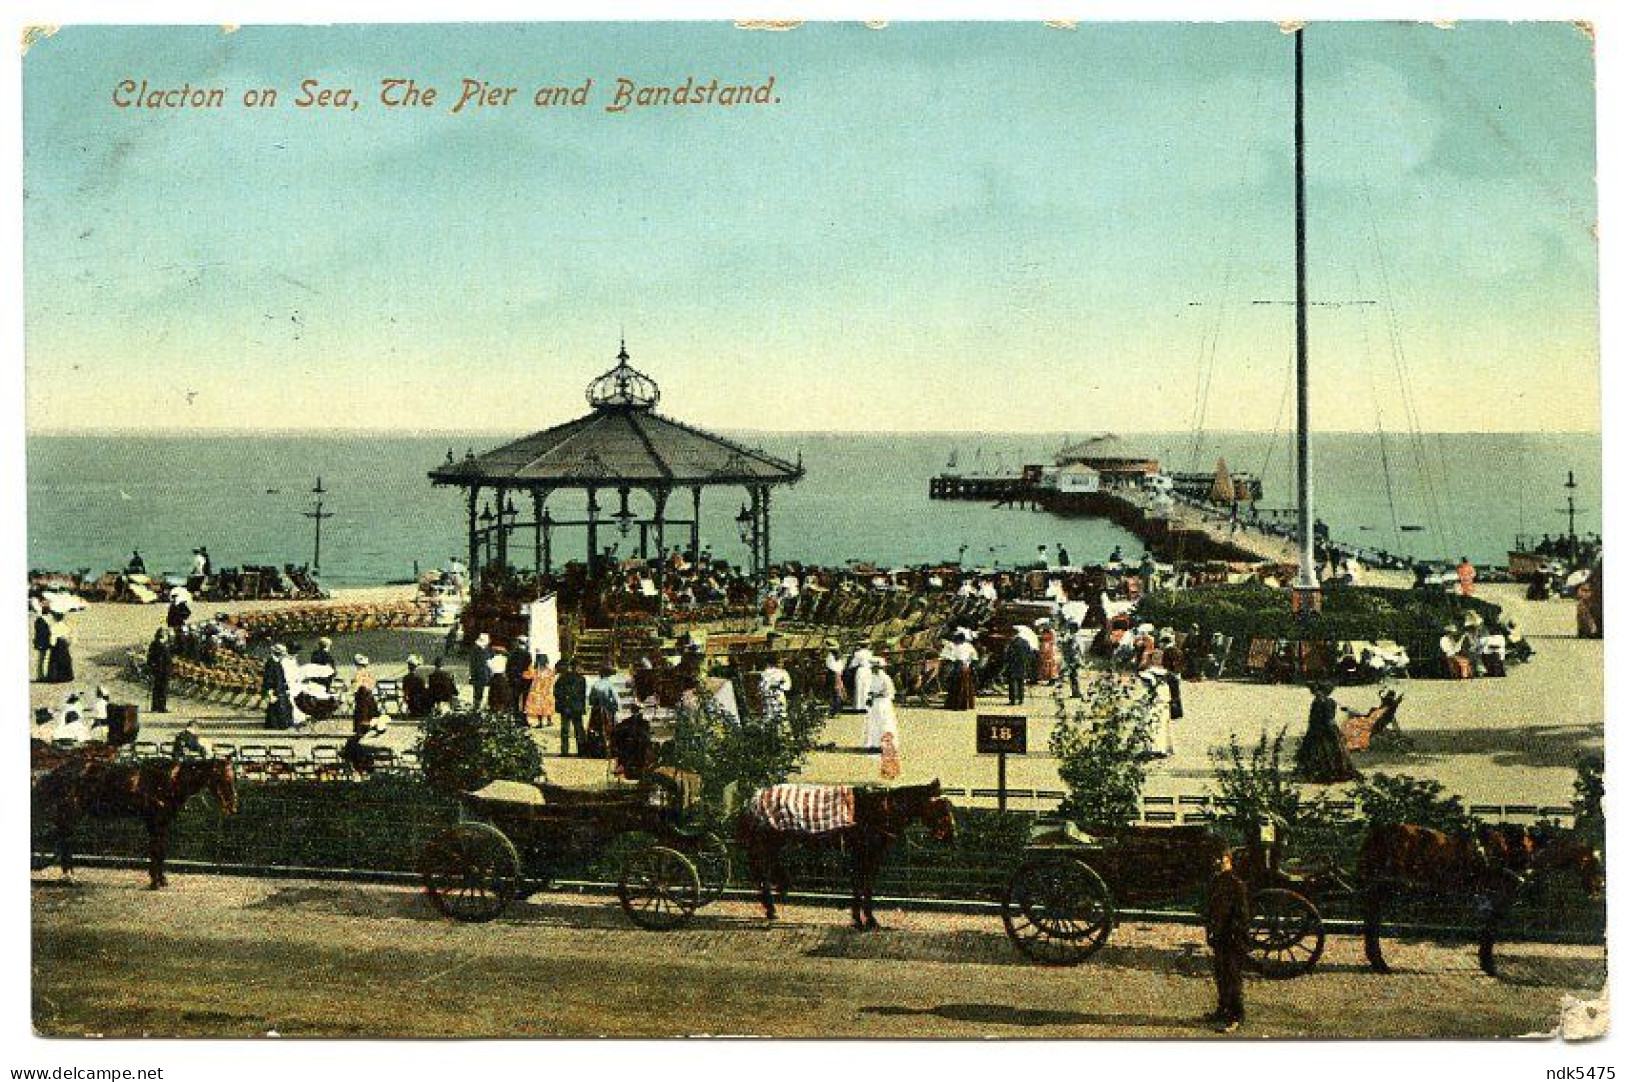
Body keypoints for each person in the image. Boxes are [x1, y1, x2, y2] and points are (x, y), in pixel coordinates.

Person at [1205, 850, 1251, 1033]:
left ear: (1229, 862)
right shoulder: (1216, 882)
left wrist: (1235, 935)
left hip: (1233, 938)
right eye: (1217, 860)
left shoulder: (1236, 885)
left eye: (1222, 860)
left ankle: (1235, 1017)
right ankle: (1222, 1010)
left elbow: (1242, 916)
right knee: (1221, 974)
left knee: (1232, 977)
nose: (1218, 863)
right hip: (1220, 936)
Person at [1294, 681, 1360, 784]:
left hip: (1317, 729)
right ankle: (1331, 771)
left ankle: (1318, 771)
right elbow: (1328, 719)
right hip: (1325, 729)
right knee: (1331, 751)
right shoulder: (1329, 702)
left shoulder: (1317, 701)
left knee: (1318, 750)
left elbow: (1315, 718)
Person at [862, 656, 897, 754]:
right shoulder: (872, 677)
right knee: (874, 723)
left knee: (884, 723)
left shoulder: (885, 677)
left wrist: (876, 695)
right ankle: (875, 744)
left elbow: (889, 692)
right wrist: (870, 697)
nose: (871, 669)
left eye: (873, 667)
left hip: (883, 703)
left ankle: (886, 744)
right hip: (875, 703)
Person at [555, 658, 589, 756]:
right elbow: (582, 695)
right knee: (578, 730)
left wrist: (562, 701)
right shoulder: (581, 679)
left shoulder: (563, 677)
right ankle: (581, 751)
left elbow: (556, 692)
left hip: (567, 707)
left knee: (566, 730)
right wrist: (582, 708)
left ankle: (565, 751)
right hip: (575, 707)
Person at [587, 668, 621, 758]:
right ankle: (609, 751)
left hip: (596, 711)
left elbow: (590, 700)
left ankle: (596, 751)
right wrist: (615, 709)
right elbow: (615, 700)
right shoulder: (610, 685)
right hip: (607, 711)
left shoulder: (595, 685)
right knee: (610, 730)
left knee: (595, 730)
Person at [262, 643, 296, 730]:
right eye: (283, 654)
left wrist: (286, 688)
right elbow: (268, 679)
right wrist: (270, 692)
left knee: (284, 707)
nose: (284, 656)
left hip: (280, 689)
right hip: (275, 690)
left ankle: (280, 725)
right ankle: (277, 726)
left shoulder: (277, 662)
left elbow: (282, 677)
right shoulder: (271, 663)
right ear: (279, 654)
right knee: (278, 708)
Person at [524, 654, 558, 729]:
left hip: (538, 692)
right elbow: (553, 679)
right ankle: (549, 721)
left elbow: (527, 676)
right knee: (547, 706)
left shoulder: (536, 671)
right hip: (547, 692)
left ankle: (540, 722)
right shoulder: (549, 671)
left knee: (539, 707)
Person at [351, 654, 381, 736]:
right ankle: (371, 725)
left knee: (361, 710)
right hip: (368, 695)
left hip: (361, 695)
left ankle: (360, 728)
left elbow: (355, 686)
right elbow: (372, 684)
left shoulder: (357, 673)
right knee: (370, 710)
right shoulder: (368, 673)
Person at [147, 628, 173, 713]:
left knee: (156, 689)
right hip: (163, 670)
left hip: (156, 670)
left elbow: (150, 658)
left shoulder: (153, 644)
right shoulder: (163, 646)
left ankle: (155, 707)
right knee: (163, 689)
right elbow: (164, 659)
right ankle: (161, 707)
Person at [1003, 632, 1033, 706]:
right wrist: (1027, 662)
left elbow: (1008, 655)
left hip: (1013, 664)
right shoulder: (1025, 642)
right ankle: (1021, 700)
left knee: (1012, 683)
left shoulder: (1012, 643)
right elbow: (1029, 653)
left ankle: (1012, 700)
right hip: (1022, 665)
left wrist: (1006, 658)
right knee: (1021, 683)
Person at [468, 632, 492, 709]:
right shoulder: (484, 650)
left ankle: (477, 706)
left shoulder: (478, 650)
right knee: (478, 692)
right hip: (480, 674)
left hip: (479, 674)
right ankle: (477, 706)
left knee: (478, 692)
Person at [485, 648, 513, 714]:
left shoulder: (491, 660)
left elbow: (489, 667)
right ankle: (503, 708)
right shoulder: (505, 659)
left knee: (494, 693)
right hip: (502, 677)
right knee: (503, 693)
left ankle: (494, 707)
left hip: (495, 677)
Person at [1036, 620, 1060, 685]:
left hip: (1050, 649)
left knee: (1051, 664)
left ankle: (1053, 679)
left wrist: (1044, 639)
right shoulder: (1044, 631)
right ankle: (1049, 679)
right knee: (1046, 664)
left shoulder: (1051, 632)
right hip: (1045, 649)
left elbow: (1053, 640)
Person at [32, 606, 52, 682]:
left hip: (42, 641)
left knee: (42, 659)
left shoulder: (41, 619)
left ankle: (41, 675)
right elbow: (41, 632)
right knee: (41, 659)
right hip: (42, 641)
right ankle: (40, 676)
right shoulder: (41, 620)